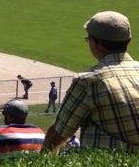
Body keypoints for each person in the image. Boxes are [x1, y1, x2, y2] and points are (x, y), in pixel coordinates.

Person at [43, 11, 139, 153]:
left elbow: (59, 132)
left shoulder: (89, 81)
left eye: (89, 39)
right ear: (128, 41)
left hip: (108, 163)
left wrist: (42, 161)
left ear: (96, 44)